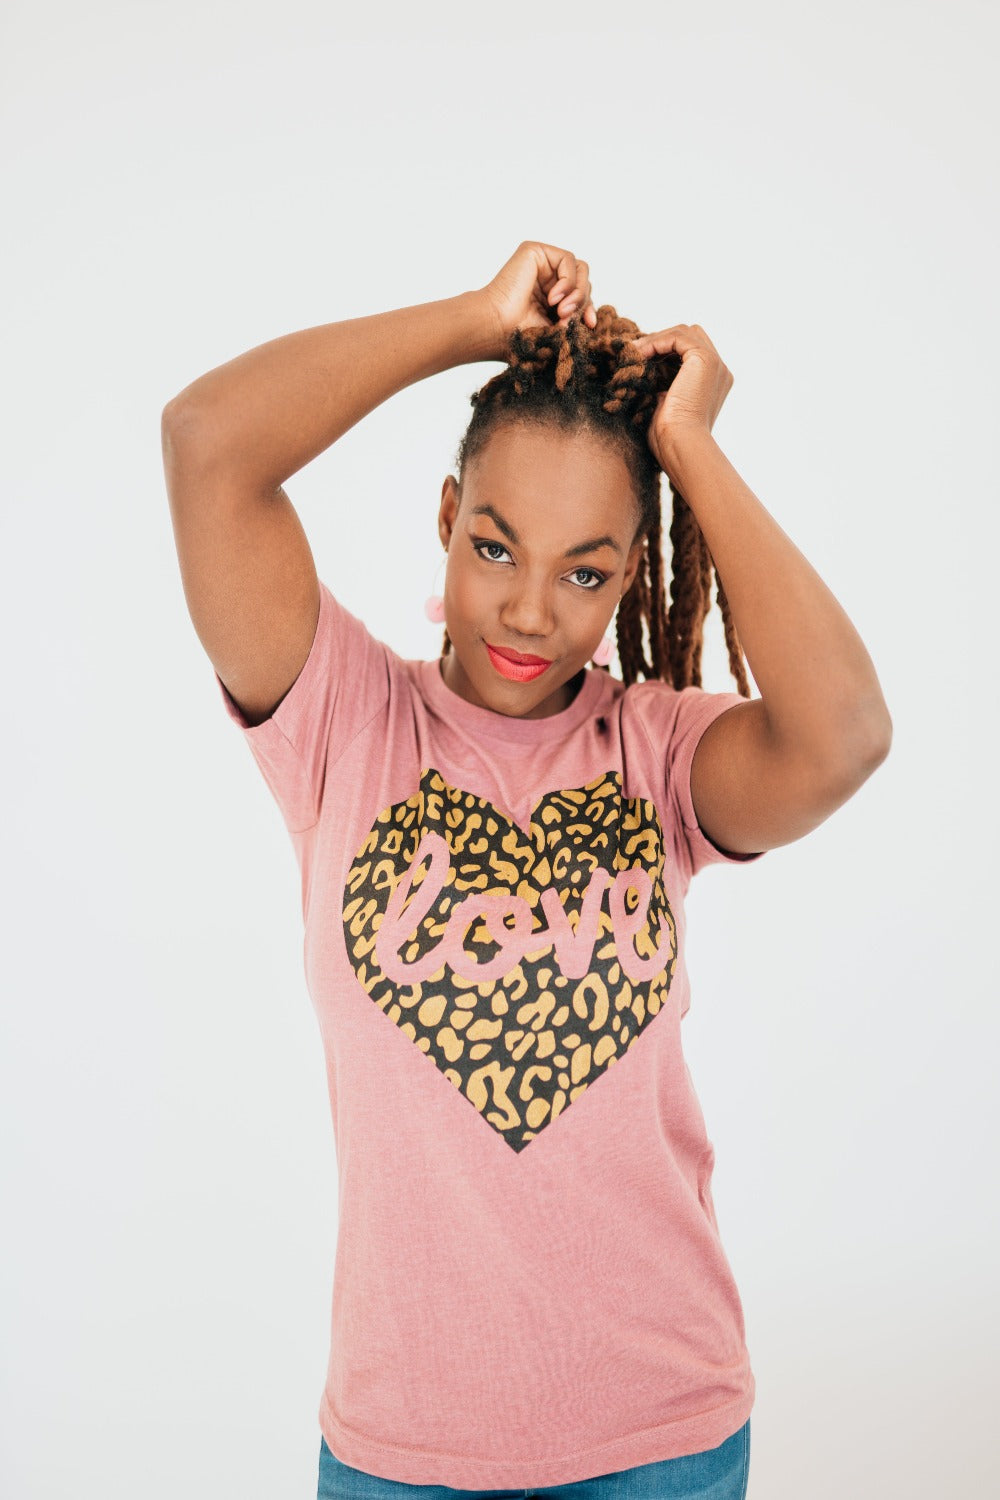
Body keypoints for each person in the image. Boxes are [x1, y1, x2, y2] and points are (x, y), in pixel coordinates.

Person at [160, 241, 892, 1500]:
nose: (531, 613)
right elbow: (204, 442)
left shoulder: (658, 753)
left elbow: (845, 737)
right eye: (497, 548)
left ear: (628, 574)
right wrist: (472, 321)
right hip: (402, 1452)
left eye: (586, 571)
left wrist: (688, 447)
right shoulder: (342, 719)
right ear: (447, 518)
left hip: (661, 1442)